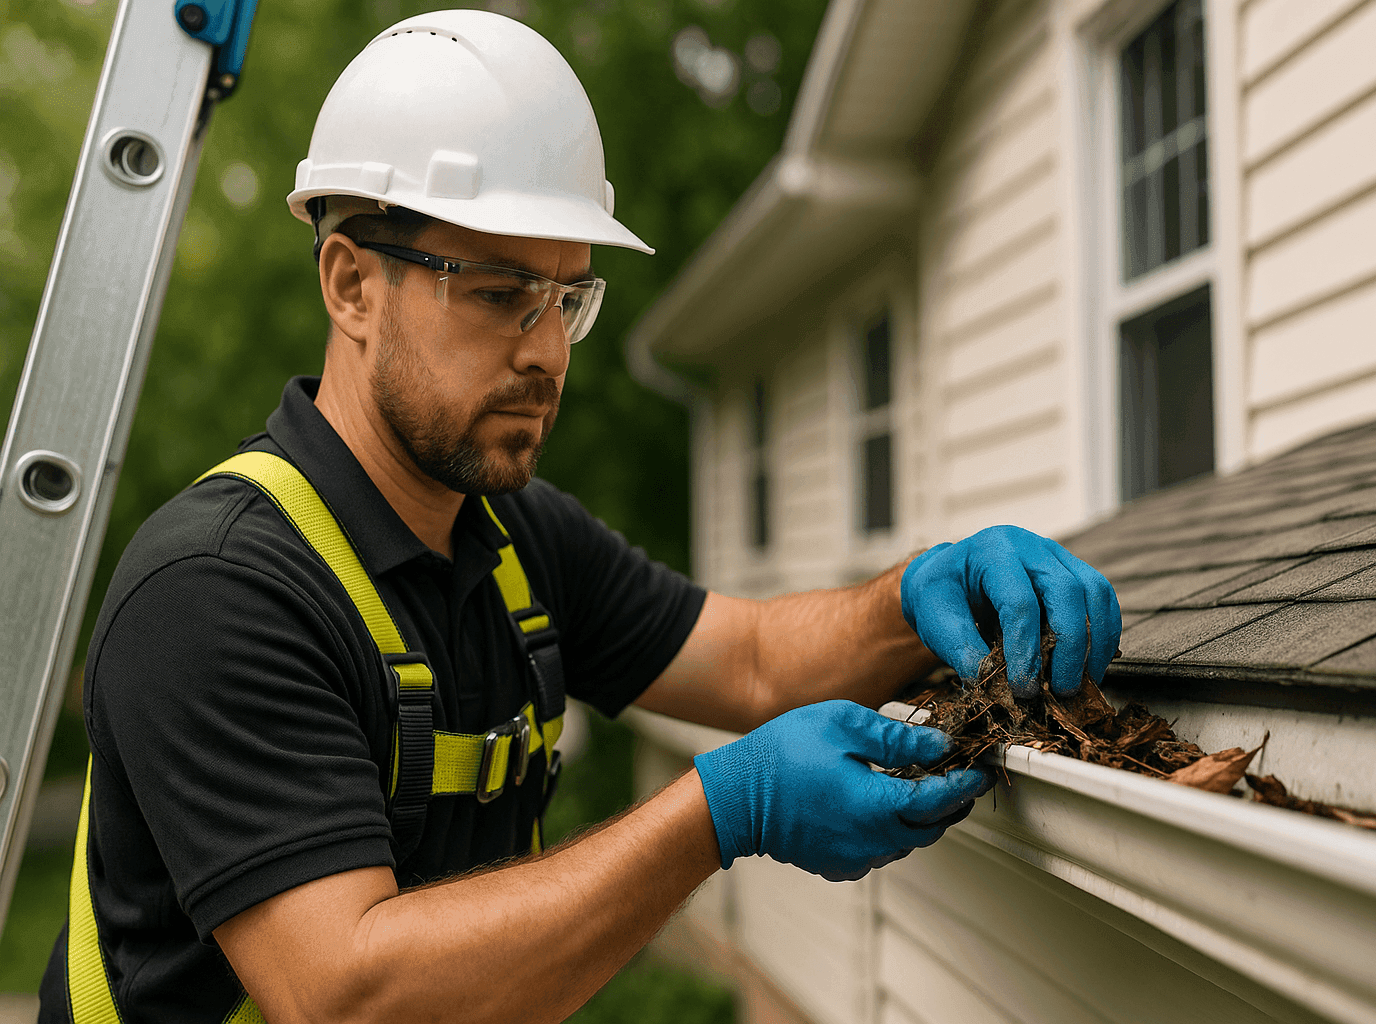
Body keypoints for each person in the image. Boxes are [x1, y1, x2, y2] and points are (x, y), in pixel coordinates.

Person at [40, 11, 1120, 1024]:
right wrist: (722, 812)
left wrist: (920, 595)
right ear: (351, 285)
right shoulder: (220, 590)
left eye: (568, 298)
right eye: (499, 290)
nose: (548, 350)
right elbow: (348, 993)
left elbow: (747, 660)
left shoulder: (512, 539)